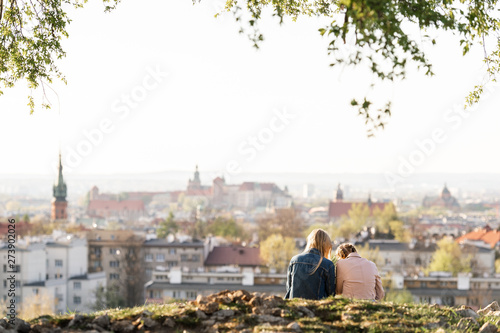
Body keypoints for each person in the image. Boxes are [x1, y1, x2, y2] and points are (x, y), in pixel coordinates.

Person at [284, 229, 336, 300]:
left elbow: (289, 287)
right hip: (317, 307)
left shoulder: (294, 260)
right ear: (326, 245)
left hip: (295, 305)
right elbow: (331, 294)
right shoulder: (328, 264)